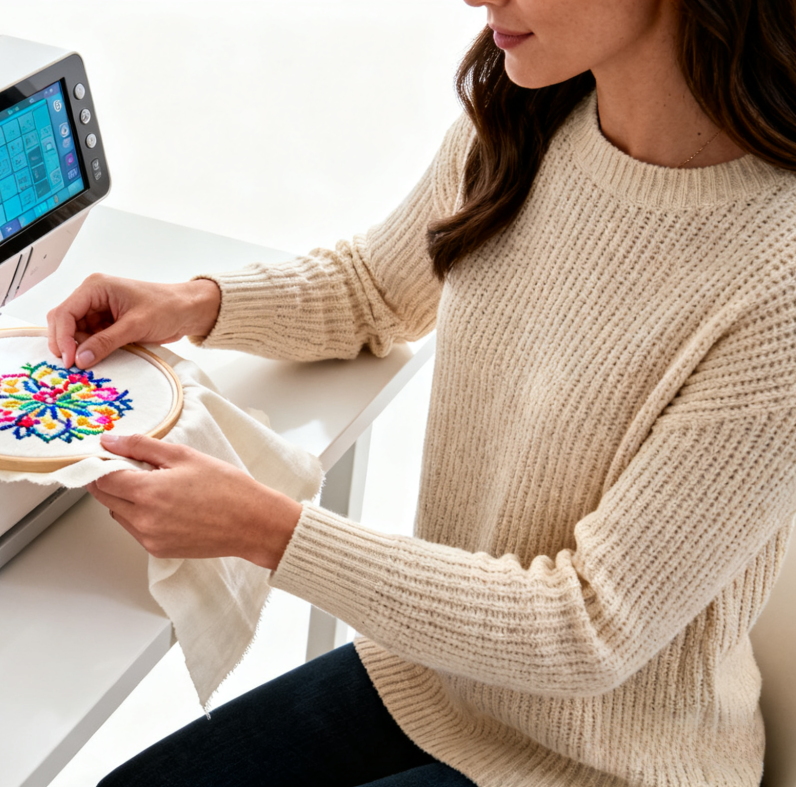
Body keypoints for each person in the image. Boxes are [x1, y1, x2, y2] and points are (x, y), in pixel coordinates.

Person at [45, 0, 796, 785]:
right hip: (436, 677)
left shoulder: (777, 281)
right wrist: (194, 303)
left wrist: (267, 529)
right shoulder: (529, 115)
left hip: (608, 765)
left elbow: (589, 626)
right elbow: (376, 287)